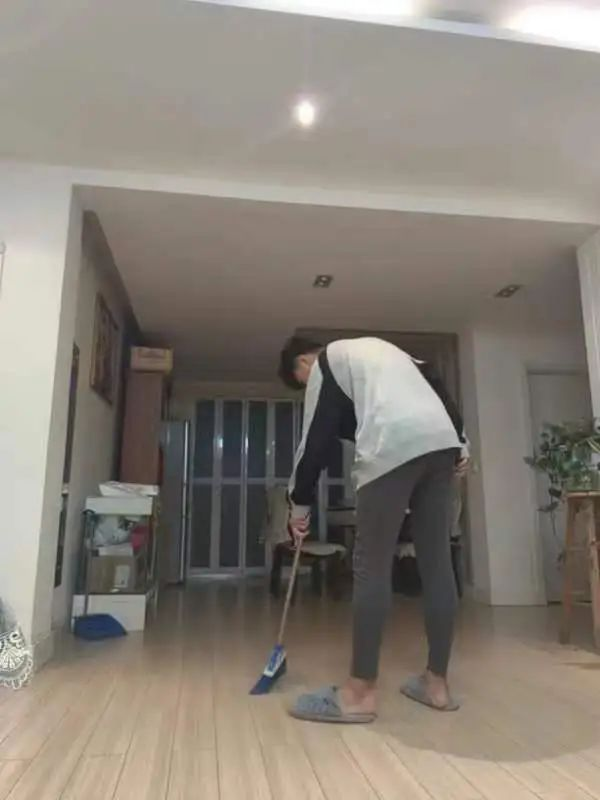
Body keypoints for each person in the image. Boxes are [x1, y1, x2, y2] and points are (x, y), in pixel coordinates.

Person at [278, 336, 469, 723]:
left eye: (302, 381)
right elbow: (435, 381)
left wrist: (298, 503)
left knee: (371, 566)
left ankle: (358, 694)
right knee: (436, 563)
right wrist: (461, 441)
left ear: (304, 361)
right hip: (441, 446)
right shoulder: (390, 353)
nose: (308, 387)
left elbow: (314, 438)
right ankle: (437, 685)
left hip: (392, 446)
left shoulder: (327, 361)